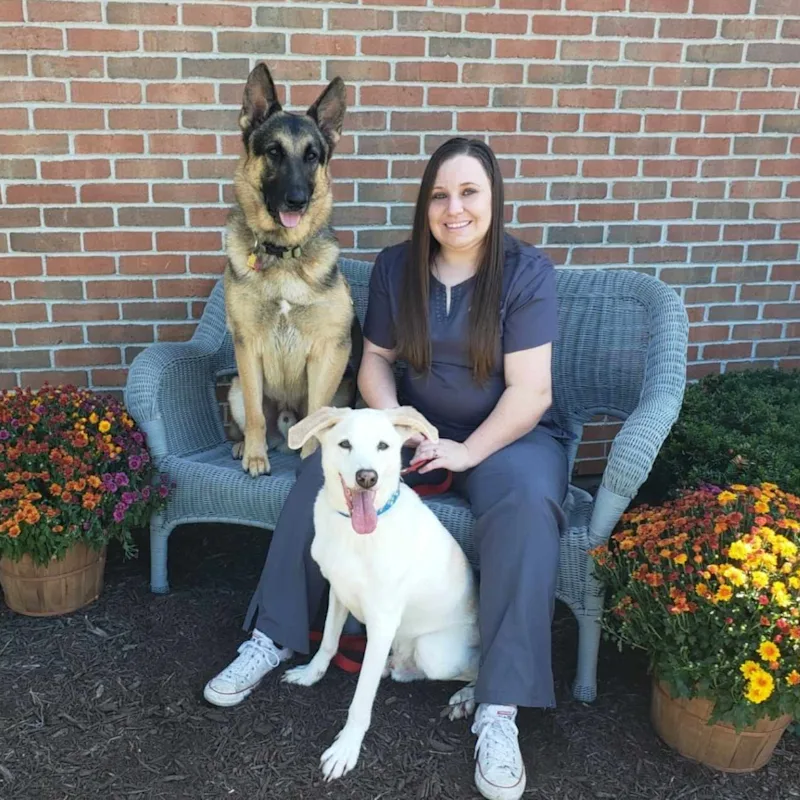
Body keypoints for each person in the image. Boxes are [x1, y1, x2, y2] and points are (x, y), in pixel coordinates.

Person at [204, 137, 569, 800]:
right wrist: (392, 426)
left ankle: (498, 708)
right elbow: (373, 360)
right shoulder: (399, 267)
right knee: (321, 472)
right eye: (439, 194)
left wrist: (465, 451)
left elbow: (531, 392)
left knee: (527, 510)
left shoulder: (525, 273)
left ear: (493, 200)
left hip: (507, 439)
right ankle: (272, 636)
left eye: (468, 193)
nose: (452, 209)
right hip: (408, 427)